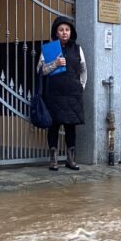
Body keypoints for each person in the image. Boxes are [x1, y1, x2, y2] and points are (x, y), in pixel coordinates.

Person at [38, 16, 87, 171]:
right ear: (56, 32)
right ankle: (53, 160)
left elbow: (84, 70)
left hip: (73, 95)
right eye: (61, 30)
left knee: (70, 127)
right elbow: (40, 70)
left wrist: (81, 86)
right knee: (53, 126)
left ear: (71, 31)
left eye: (67, 29)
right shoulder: (49, 49)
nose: (64, 32)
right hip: (54, 95)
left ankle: (70, 159)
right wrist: (55, 64)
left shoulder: (77, 49)